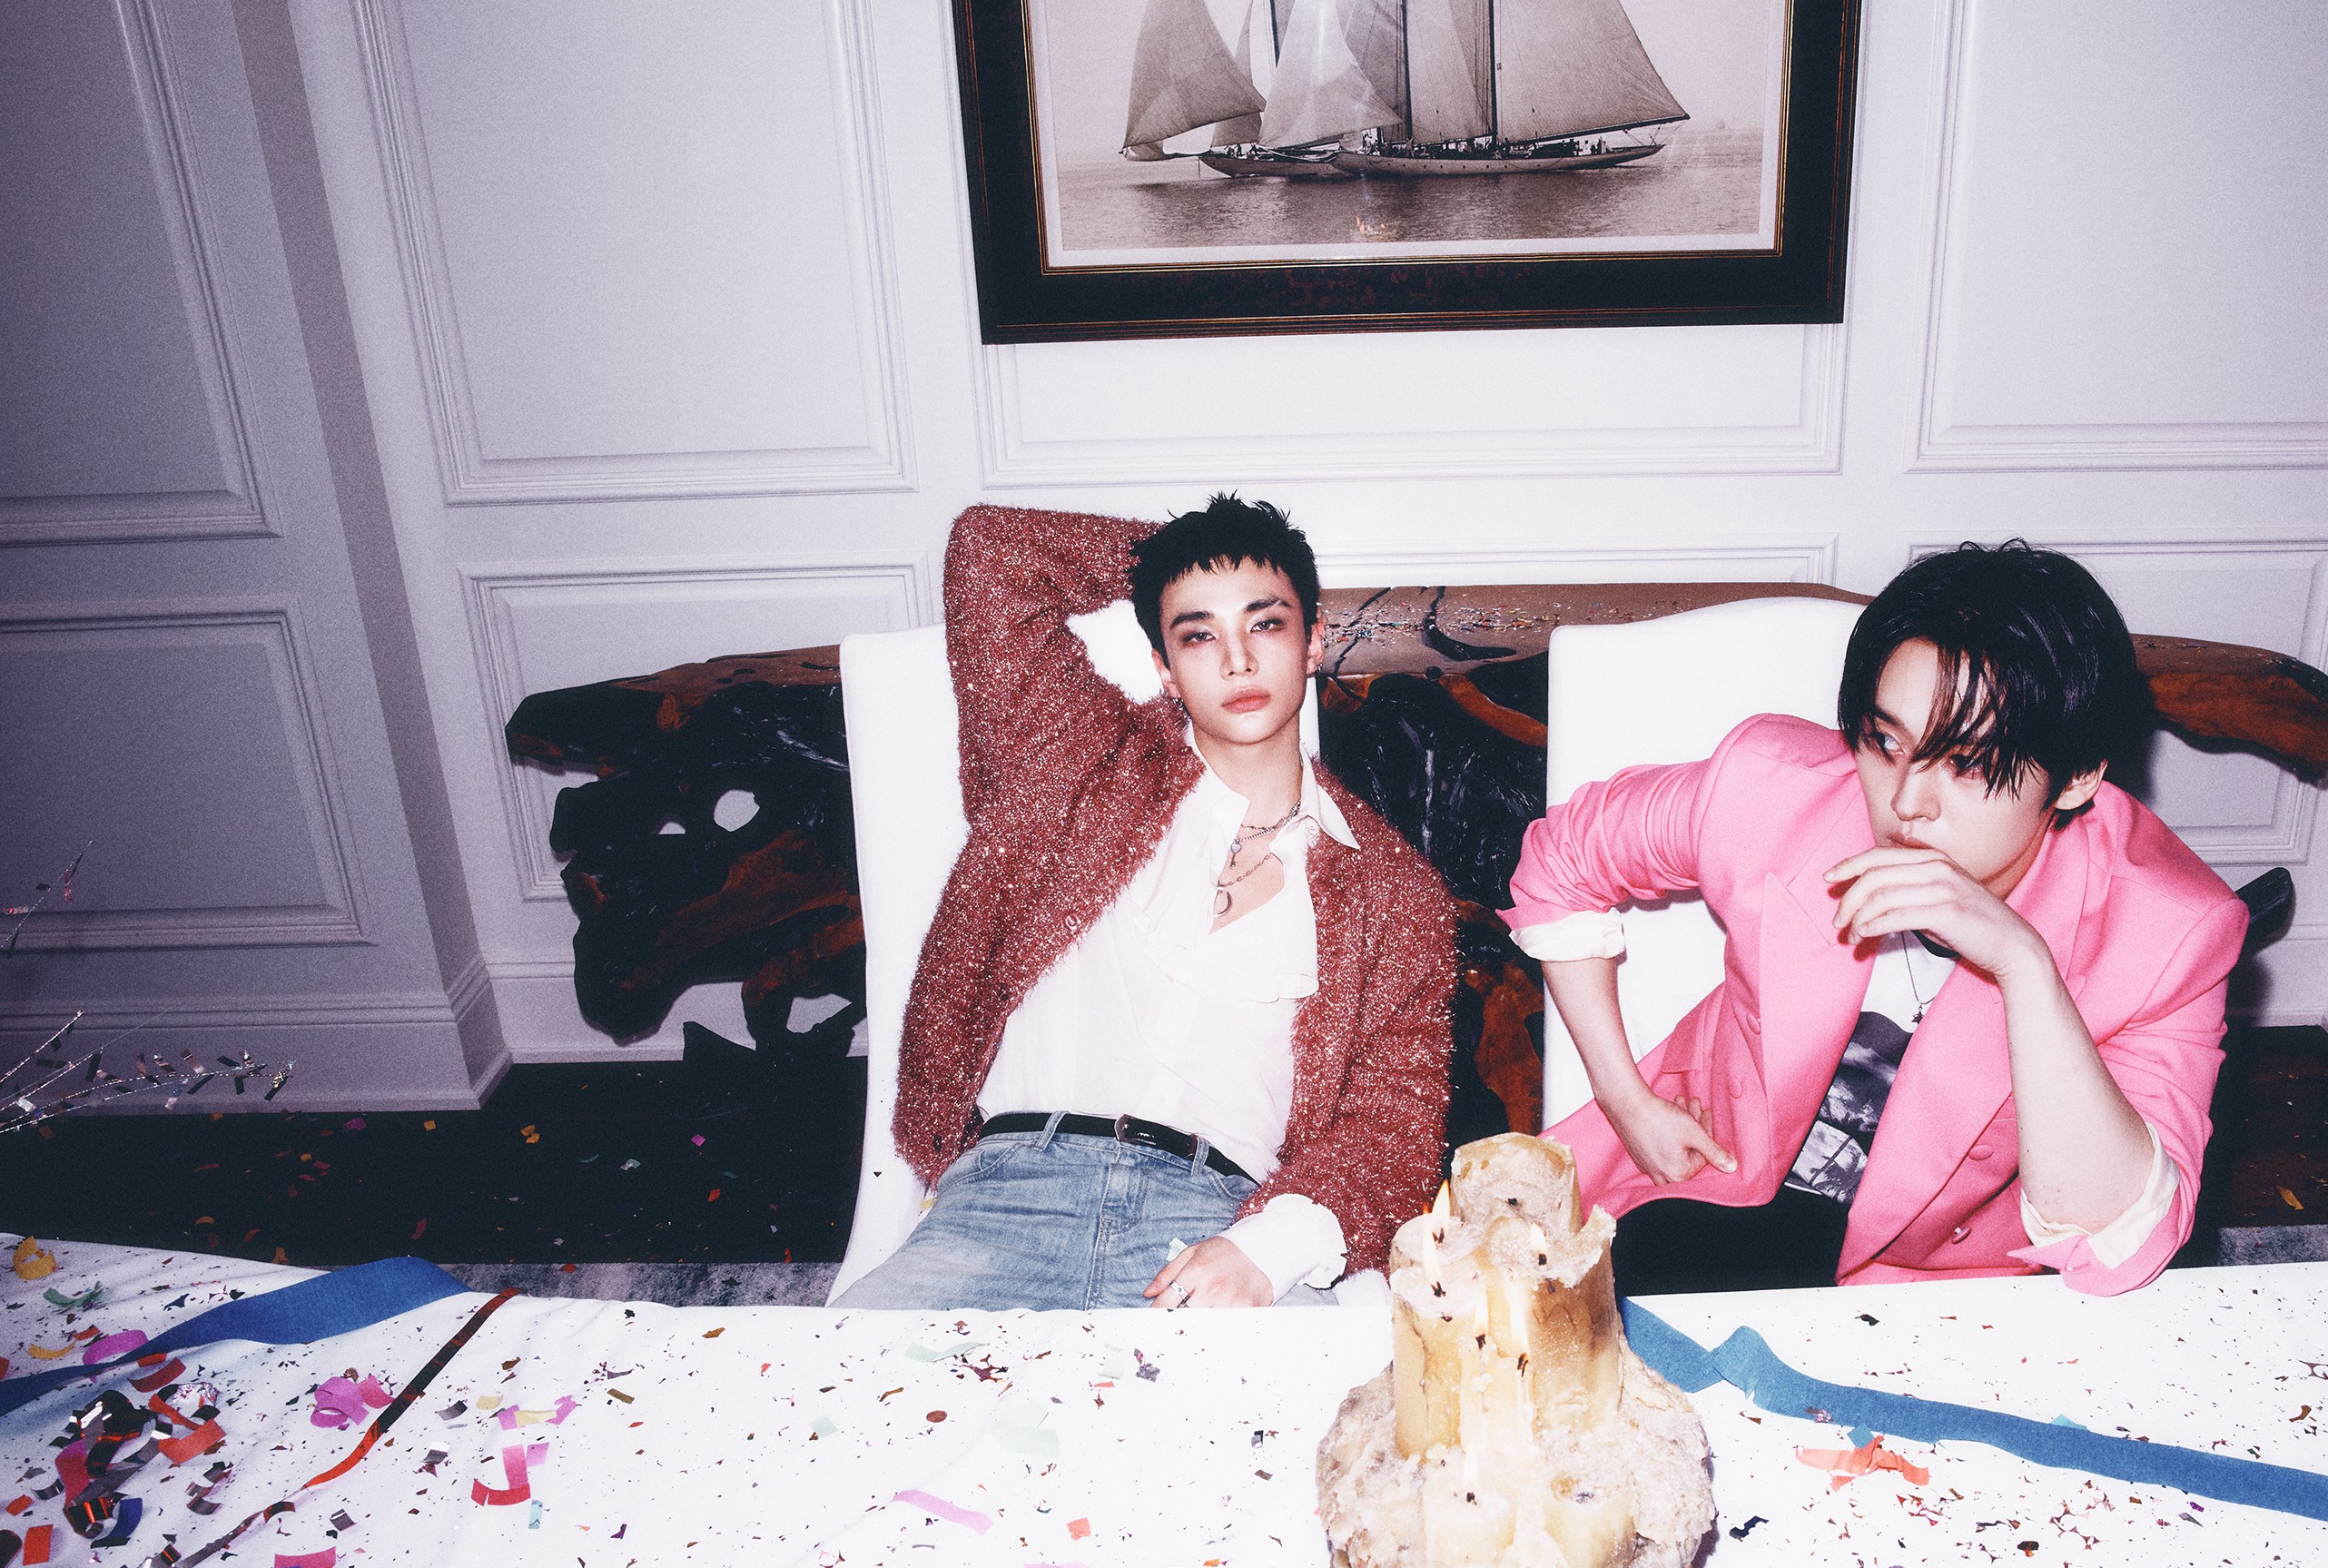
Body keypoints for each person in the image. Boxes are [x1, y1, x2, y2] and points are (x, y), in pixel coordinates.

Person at [1504, 542, 2245, 1297]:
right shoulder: (1773, 790)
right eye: (1887, 742)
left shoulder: (2171, 932)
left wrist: (2025, 967)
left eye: (1969, 764)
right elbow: (1564, 859)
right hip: (1706, 1184)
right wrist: (1625, 1098)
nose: (1905, 802)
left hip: (1936, 1278)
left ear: (2078, 777)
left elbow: (2119, 1239)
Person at [834, 498, 1455, 1312]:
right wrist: (1182, 553)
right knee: (822, 1389)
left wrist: (1267, 1249)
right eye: (1198, 635)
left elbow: (1393, 1126)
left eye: (1266, 624)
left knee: (1346, 1399)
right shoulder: (1073, 758)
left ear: (1313, 642)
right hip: (1001, 1203)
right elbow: (990, 552)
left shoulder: (1396, 894)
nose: (1237, 660)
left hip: (1221, 1228)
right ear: (1164, 666)